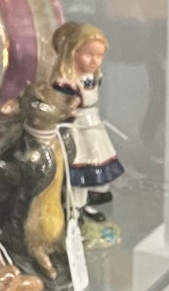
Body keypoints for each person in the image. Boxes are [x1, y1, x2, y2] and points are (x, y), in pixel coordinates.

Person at [48, 21, 123, 220]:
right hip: (76, 128)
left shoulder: (93, 77)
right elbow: (60, 105)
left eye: (99, 56)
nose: (94, 61)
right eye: (88, 54)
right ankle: (74, 208)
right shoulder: (66, 82)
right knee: (78, 168)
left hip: (93, 125)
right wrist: (68, 106)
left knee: (96, 163)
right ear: (73, 52)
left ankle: (88, 203)